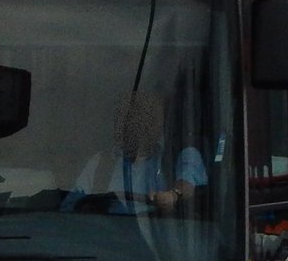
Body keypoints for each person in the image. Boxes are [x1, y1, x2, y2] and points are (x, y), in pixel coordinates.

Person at [60, 90, 207, 213]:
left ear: (159, 124)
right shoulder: (101, 163)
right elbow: (69, 208)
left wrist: (174, 195)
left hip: (160, 241)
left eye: (145, 120)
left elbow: (189, 186)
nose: (136, 126)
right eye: (129, 118)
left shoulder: (182, 156)